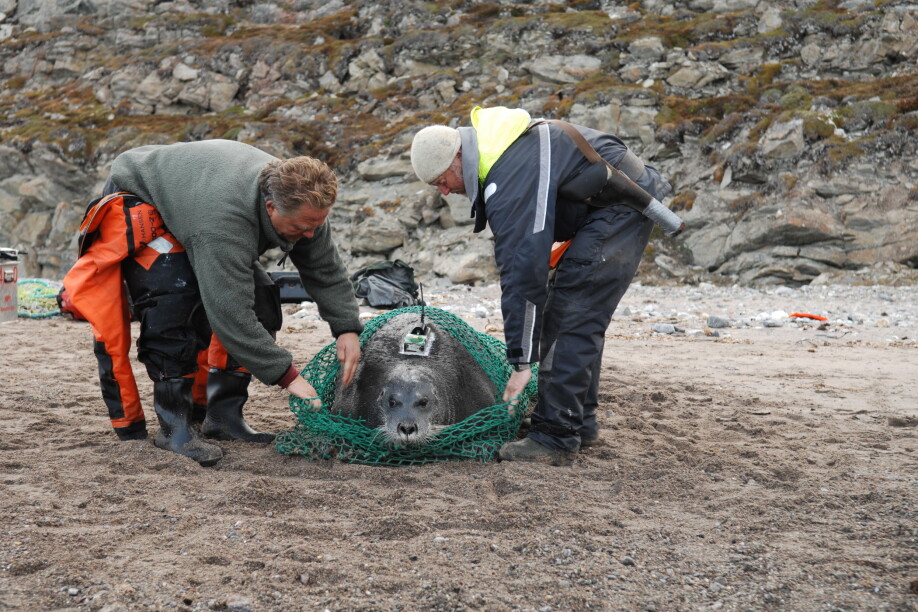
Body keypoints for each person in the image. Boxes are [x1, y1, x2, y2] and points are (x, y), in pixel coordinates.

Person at [63, 139, 362, 466]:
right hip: (143, 193)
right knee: (175, 299)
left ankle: (223, 419)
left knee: (263, 300)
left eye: (316, 226)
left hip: (198, 196)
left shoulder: (307, 205)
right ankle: (174, 427)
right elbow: (230, 315)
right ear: (271, 208)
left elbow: (325, 268)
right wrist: (288, 376)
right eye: (301, 228)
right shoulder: (225, 220)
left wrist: (346, 329)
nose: (309, 234)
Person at [410, 106, 681, 466]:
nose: (444, 192)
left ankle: (555, 436)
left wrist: (521, 364)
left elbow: (523, 272)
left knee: (572, 314)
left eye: (442, 180)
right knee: (569, 311)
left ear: (458, 156)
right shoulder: (500, 157)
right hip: (603, 208)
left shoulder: (509, 175)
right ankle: (577, 421)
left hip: (619, 208)